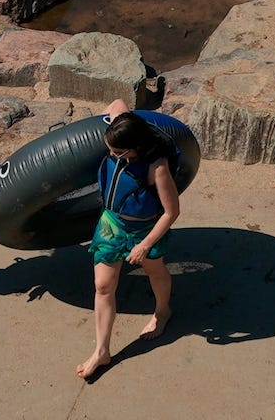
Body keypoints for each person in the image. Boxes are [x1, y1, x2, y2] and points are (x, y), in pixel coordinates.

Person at [78, 102, 180, 380]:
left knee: (154, 270)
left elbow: (172, 212)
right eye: (110, 149)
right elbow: (116, 104)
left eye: (119, 152)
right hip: (112, 224)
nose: (112, 155)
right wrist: (121, 119)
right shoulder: (123, 132)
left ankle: (162, 312)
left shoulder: (156, 166)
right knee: (102, 285)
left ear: (137, 148)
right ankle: (102, 350)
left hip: (143, 229)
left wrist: (145, 244)